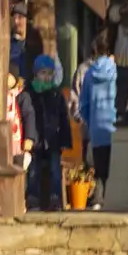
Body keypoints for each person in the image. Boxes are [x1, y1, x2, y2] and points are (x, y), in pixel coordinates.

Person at [22, 53, 76, 213]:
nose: (46, 77)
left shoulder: (56, 94)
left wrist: (65, 140)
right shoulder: (30, 94)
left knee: (55, 170)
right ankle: (32, 198)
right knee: (33, 170)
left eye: (49, 73)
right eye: (43, 73)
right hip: (36, 140)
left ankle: (55, 198)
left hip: (53, 139)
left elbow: (63, 118)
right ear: (36, 73)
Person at [76, 29, 119, 207]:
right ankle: (114, 200)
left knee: (99, 168)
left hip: (96, 128)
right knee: (115, 167)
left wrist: (90, 121)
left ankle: (98, 200)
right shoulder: (117, 72)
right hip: (115, 126)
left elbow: (83, 104)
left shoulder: (88, 73)